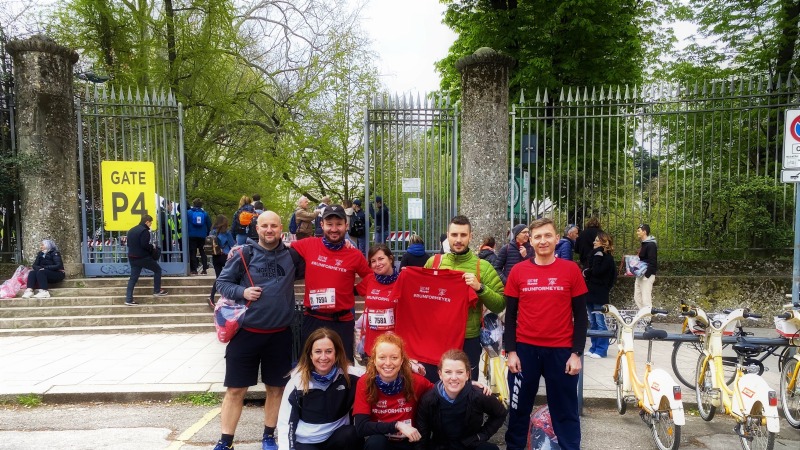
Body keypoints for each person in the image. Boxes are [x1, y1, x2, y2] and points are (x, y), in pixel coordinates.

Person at [213, 211, 305, 450]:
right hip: (246, 333)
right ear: (257, 228)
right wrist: (242, 292)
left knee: (276, 389)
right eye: (264, 226)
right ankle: (225, 441)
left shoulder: (292, 256)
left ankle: (268, 436)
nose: (269, 230)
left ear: (281, 228)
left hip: (280, 334)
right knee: (235, 389)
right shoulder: (244, 253)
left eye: (273, 226)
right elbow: (222, 284)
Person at [503, 217, 588, 450]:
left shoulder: (570, 270)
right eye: (538, 237)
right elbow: (509, 316)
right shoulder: (518, 271)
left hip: (561, 352)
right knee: (519, 410)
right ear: (530, 240)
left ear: (557, 239)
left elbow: (581, 317)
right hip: (524, 352)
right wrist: (511, 351)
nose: (543, 241)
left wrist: (576, 353)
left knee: (566, 412)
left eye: (548, 235)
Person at [423, 215, 505, 381]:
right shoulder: (434, 263)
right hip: (436, 337)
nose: (458, 240)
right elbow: (420, 298)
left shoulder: (483, 267)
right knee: (433, 386)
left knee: (466, 387)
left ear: (470, 236)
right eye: (454, 235)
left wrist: (480, 288)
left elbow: (500, 304)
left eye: (463, 235)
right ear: (447, 235)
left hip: (467, 339)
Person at [291, 204, 372, 361]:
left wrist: (355, 291)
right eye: (329, 224)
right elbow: (279, 248)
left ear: (346, 226)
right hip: (313, 319)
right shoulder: (308, 244)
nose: (334, 229)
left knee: (344, 370)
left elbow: (371, 277)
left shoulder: (354, 254)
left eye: (339, 224)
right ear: (321, 225)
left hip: (342, 322)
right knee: (310, 368)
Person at [277, 328, 363, 450]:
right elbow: (285, 422)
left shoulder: (353, 376)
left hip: (336, 438)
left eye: (328, 351)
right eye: (318, 351)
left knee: (352, 434)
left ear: (336, 354)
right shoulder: (296, 383)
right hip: (306, 443)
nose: (323, 357)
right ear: (310, 355)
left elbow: (380, 378)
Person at [353, 333, 434, 450]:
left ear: (402, 361)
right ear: (374, 360)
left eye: (394, 358)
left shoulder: (415, 381)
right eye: (382, 357)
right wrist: (397, 425)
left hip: (409, 440)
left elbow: (441, 393)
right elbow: (361, 427)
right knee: (376, 442)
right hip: (380, 440)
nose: (388, 363)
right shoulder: (365, 382)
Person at [415, 349, 507, 450]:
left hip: (470, 444)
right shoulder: (429, 399)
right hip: (441, 445)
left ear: (467, 375)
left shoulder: (479, 395)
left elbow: (500, 413)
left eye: (459, 372)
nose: (454, 377)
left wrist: (482, 435)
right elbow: (423, 436)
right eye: (448, 372)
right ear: (440, 374)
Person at [355, 244, 400, 361]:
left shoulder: (403, 281)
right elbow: (349, 291)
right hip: (371, 345)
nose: (377, 264)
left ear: (390, 259)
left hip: (393, 345)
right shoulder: (370, 279)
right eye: (373, 261)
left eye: (381, 259)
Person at [582, 231, 616, 359]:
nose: (594, 242)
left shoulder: (604, 257)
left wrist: (587, 272)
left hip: (599, 294)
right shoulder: (595, 255)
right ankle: (594, 347)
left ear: (603, 241)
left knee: (600, 321)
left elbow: (596, 272)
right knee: (593, 321)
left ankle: (601, 349)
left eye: (597, 240)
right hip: (590, 293)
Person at [125, 215, 168, 306]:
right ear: (147, 222)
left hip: (132, 257)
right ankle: (157, 290)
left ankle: (128, 299)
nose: (151, 225)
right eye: (150, 223)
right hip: (142, 257)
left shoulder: (131, 230)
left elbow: (128, 243)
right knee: (157, 270)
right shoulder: (144, 231)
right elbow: (144, 245)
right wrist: (152, 247)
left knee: (133, 278)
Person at [208, 215, 236, 308]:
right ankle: (229, 296)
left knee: (219, 277)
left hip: (215, 256)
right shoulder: (226, 232)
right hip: (225, 256)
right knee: (231, 275)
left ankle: (211, 297)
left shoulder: (212, 231)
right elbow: (232, 244)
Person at [634, 223, 658, 310]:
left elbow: (653, 261)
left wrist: (647, 275)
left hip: (647, 275)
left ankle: (648, 320)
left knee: (646, 300)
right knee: (637, 297)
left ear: (644, 232)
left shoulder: (651, 244)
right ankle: (643, 316)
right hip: (640, 274)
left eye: (639, 231)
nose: (637, 233)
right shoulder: (644, 243)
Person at [187, 198, 212, 275]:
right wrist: (207, 233)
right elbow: (209, 224)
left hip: (191, 235)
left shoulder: (188, 213)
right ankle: (204, 269)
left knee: (193, 252)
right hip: (202, 235)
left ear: (193, 204)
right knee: (202, 251)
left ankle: (194, 270)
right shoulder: (205, 213)